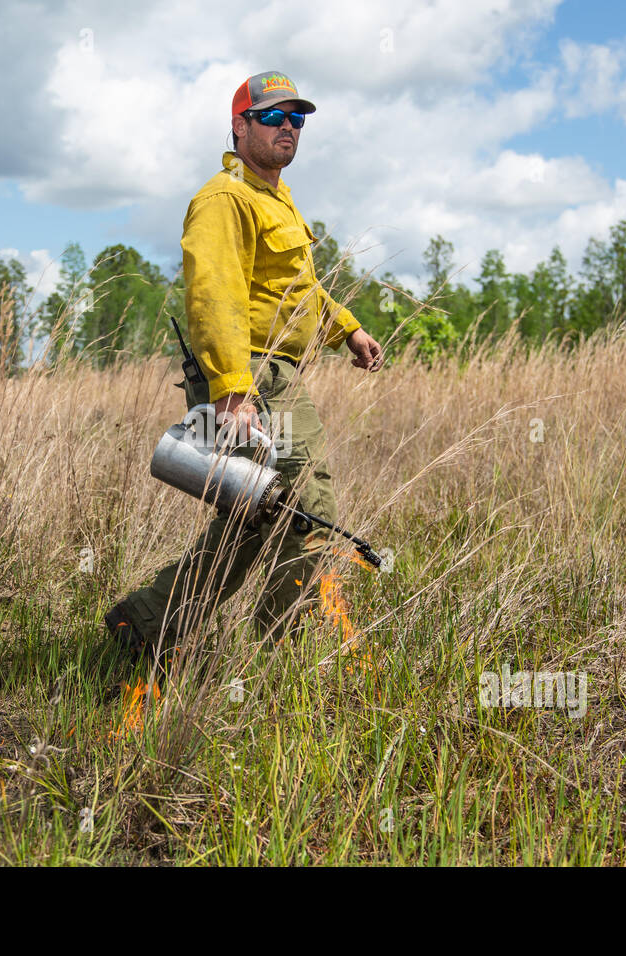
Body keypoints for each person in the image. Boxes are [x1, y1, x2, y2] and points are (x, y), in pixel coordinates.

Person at [105, 70, 383, 660]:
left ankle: (148, 623)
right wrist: (234, 392)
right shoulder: (224, 199)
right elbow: (215, 295)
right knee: (308, 511)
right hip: (250, 377)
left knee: (253, 515)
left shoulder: (273, 199)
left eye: (297, 119)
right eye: (274, 117)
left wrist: (347, 329)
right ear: (239, 126)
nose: (289, 128)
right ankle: (287, 657)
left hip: (270, 374)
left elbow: (296, 289)